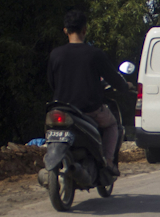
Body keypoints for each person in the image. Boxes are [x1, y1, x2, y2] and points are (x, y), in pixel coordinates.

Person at [46, 9, 131, 174]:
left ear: (65, 30)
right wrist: (126, 87)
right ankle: (108, 161)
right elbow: (114, 79)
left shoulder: (55, 54)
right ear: (85, 29)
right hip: (90, 111)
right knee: (113, 124)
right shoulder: (94, 54)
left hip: (62, 109)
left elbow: (52, 82)